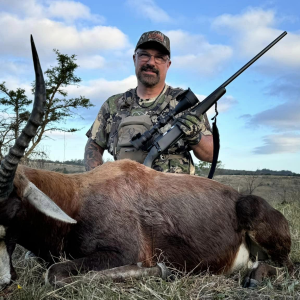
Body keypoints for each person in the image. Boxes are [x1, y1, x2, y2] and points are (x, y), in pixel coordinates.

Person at [84, 30, 213, 174]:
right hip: (126, 193)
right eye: (144, 55)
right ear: (135, 59)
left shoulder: (186, 103)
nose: (151, 62)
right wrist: (99, 182)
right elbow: (93, 146)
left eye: (159, 57)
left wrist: (195, 136)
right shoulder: (113, 104)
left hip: (177, 194)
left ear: (168, 64)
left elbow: (211, 155)